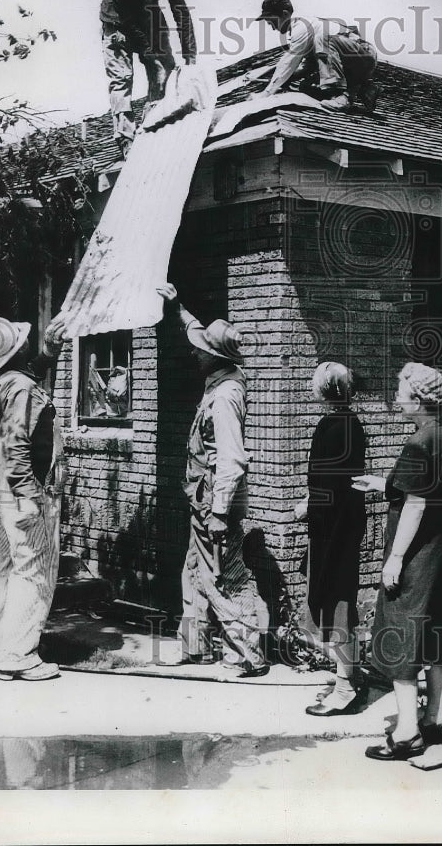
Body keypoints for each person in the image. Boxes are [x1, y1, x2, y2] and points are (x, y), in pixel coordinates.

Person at [156, 283, 269, 678]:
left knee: (225, 576)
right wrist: (177, 306)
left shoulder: (224, 397)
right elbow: (195, 329)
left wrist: (220, 511)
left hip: (217, 503)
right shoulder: (220, 376)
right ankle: (195, 647)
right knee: (194, 570)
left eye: (201, 350)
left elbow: (233, 459)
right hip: (203, 499)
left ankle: (249, 656)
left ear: (214, 357)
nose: (194, 351)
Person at [353, 362, 442, 760]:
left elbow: (416, 503)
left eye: (400, 392)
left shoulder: (418, 443)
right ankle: (437, 717)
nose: (395, 399)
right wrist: (383, 484)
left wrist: (395, 558)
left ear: (417, 400)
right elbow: (428, 491)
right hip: (438, 547)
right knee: (434, 629)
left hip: (415, 551)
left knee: (402, 632)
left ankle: (407, 734)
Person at [0, 313, 69, 681]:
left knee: (8, 570)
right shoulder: (20, 387)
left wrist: (50, 351)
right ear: (16, 350)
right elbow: (17, 443)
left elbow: (26, 373)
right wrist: (30, 496)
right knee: (34, 569)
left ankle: (8, 648)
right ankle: (19, 655)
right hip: (22, 492)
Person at [294, 362, 368, 717]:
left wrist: (309, 506)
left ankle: (345, 688)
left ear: (326, 390)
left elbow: (328, 483)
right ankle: (347, 677)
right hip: (344, 521)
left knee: (337, 602)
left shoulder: (330, 425)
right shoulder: (353, 422)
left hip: (333, 527)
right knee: (340, 599)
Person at [100, 0, 197, 158]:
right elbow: (129, 22)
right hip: (118, 22)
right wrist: (149, 54)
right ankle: (125, 138)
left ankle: (154, 120)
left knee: (167, 68)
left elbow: (180, 11)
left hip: (148, 15)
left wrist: (190, 55)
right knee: (121, 78)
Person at [254, 0, 378, 112]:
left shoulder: (301, 27)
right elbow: (309, 65)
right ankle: (365, 89)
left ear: (285, 14)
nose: (272, 27)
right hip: (352, 62)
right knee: (306, 87)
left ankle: (340, 96)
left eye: (273, 22)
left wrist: (267, 92)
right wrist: (286, 79)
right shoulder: (304, 31)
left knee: (323, 38)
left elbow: (288, 62)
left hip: (364, 54)